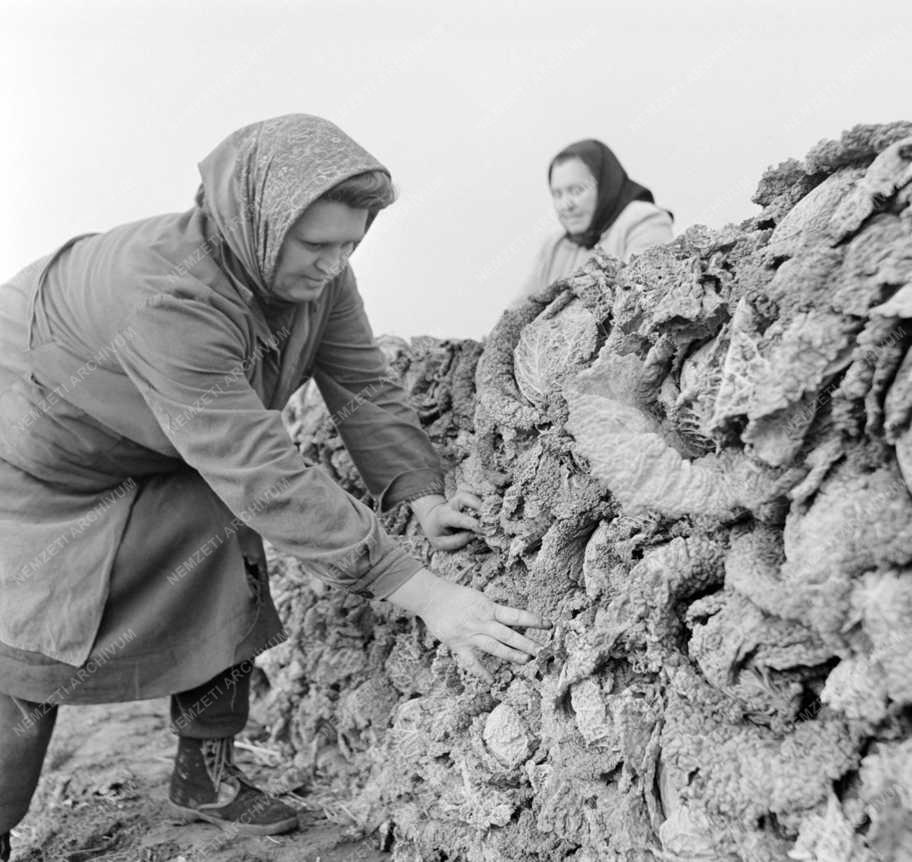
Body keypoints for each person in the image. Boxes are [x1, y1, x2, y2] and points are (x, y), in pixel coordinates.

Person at [0, 114, 548, 856]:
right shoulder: (166, 295)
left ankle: (206, 771)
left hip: (161, 436)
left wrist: (419, 492)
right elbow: (259, 467)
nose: (334, 262)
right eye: (317, 245)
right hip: (40, 444)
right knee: (32, 640)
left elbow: (360, 384)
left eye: (350, 244)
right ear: (252, 221)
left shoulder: (318, 277)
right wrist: (423, 591)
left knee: (226, 554)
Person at [521, 139, 674, 298]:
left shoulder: (644, 221)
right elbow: (517, 311)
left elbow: (643, 297)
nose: (566, 205)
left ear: (605, 185)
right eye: (557, 194)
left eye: (577, 190)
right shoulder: (554, 246)